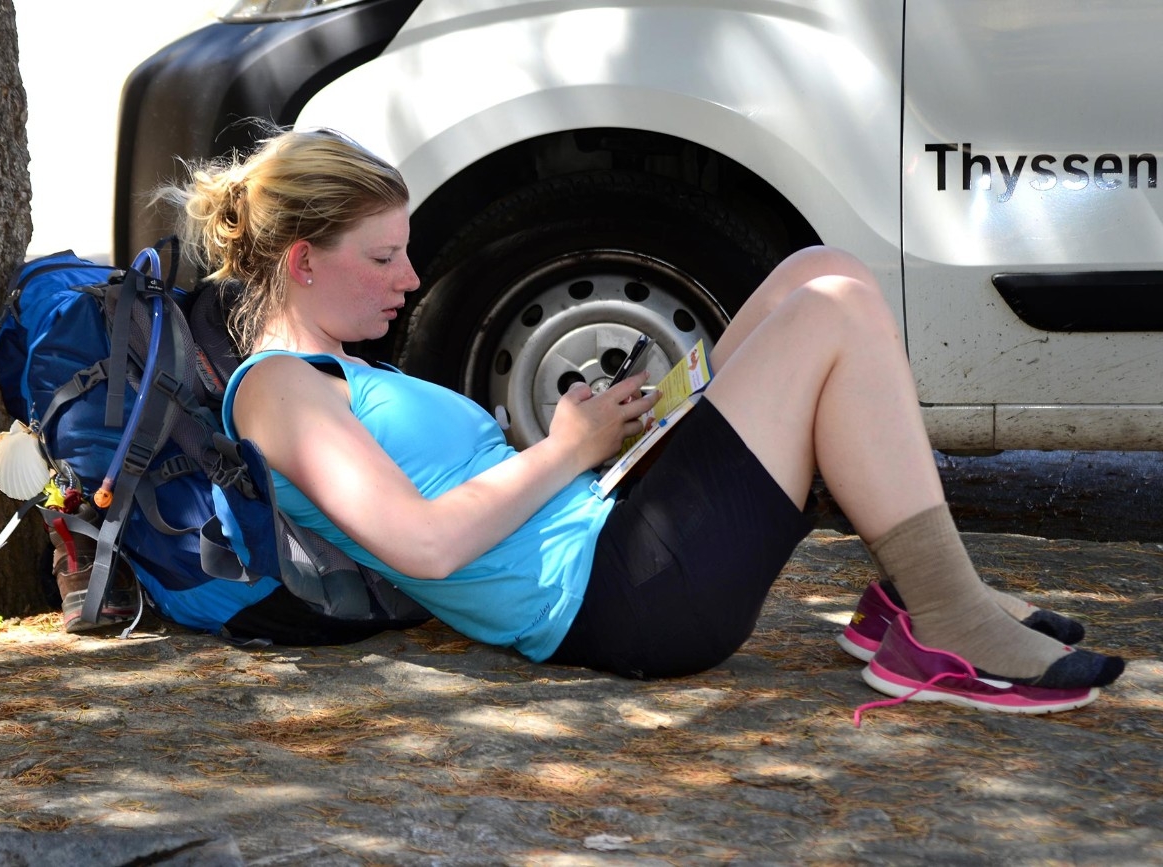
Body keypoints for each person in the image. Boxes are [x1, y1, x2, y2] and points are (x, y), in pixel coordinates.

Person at [161, 128, 1124, 712]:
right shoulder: (279, 390)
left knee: (821, 273)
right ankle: (945, 623)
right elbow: (422, 544)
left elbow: (463, 505)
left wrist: (580, 450)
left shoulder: (331, 372)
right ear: (301, 261)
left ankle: (920, 598)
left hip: (608, 533)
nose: (410, 280)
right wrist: (568, 451)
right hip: (624, 600)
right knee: (836, 315)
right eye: (383, 258)